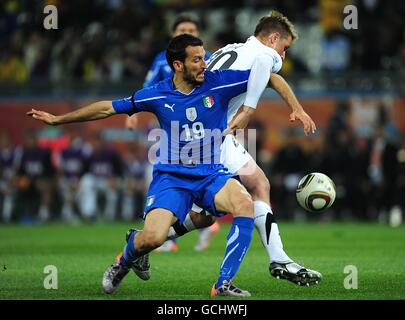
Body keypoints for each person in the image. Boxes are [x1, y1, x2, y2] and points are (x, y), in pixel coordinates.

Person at [27, 34, 274, 297]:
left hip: (211, 173)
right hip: (172, 177)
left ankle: (223, 284)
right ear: (178, 65)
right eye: (197, 59)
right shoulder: (157, 94)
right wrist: (58, 120)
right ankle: (125, 258)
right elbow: (107, 109)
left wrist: (280, 108)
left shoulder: (219, 82)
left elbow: (268, 75)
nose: (205, 64)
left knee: (244, 204)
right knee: (154, 238)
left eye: (205, 58)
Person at [141, 10, 322, 287]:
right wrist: (249, 108)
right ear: (273, 38)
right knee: (254, 188)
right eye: (284, 48)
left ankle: (145, 243)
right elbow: (266, 63)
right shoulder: (264, 53)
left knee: (211, 214)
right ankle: (278, 260)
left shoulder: (232, 49)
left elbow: (271, 78)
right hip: (215, 136)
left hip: (201, 134)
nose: (282, 57)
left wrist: (296, 108)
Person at [128, 13, 217, 252]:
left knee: (199, 178)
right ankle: (184, 228)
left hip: (205, 133)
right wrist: (134, 113)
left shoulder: (209, 61)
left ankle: (182, 230)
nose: (185, 33)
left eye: (190, 30)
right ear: (172, 35)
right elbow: (145, 91)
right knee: (169, 178)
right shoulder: (161, 60)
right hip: (171, 130)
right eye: (180, 30)